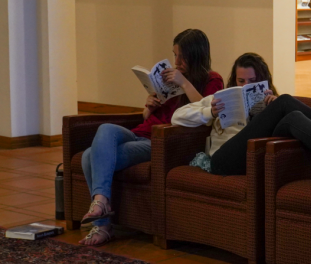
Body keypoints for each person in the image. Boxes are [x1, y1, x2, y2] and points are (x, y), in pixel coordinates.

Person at [78, 29, 224, 246]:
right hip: (140, 133)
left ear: (195, 54)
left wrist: (184, 83)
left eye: (182, 56)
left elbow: (206, 112)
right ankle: (101, 202)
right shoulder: (170, 80)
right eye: (175, 55)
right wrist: (149, 106)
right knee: (106, 129)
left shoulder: (212, 79)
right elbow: (148, 117)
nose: (177, 61)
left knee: (89, 156)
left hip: (159, 141)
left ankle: (103, 225)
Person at [171, 52, 311, 176]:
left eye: (252, 81)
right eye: (241, 80)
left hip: (253, 157)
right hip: (223, 160)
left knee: (291, 116)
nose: (245, 86)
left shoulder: (267, 101)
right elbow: (177, 117)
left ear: (262, 81)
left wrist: (270, 109)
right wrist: (209, 112)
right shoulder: (219, 99)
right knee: (285, 101)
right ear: (234, 80)